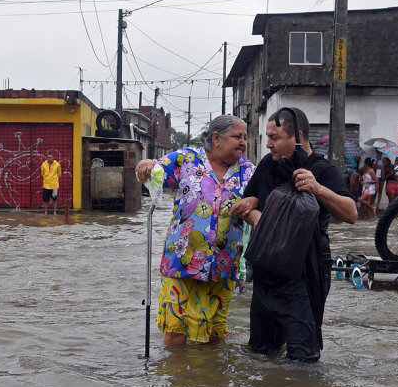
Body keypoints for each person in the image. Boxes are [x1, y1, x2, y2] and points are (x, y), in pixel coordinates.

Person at [230, 107, 357, 363]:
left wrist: (318, 189)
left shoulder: (321, 170)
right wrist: (260, 218)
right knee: (260, 355)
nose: (268, 144)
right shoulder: (268, 165)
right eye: (268, 137)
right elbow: (247, 202)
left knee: (303, 362)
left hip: (303, 278)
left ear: (297, 136)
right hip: (266, 273)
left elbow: (351, 213)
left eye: (274, 137)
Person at [135, 115, 254, 345]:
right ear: (216, 138)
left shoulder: (248, 172)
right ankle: (178, 377)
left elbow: (265, 198)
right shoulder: (186, 160)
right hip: (182, 261)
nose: (243, 142)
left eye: (245, 138)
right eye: (237, 136)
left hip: (223, 264)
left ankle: (208, 379)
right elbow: (157, 169)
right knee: (176, 329)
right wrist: (146, 165)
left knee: (215, 332)